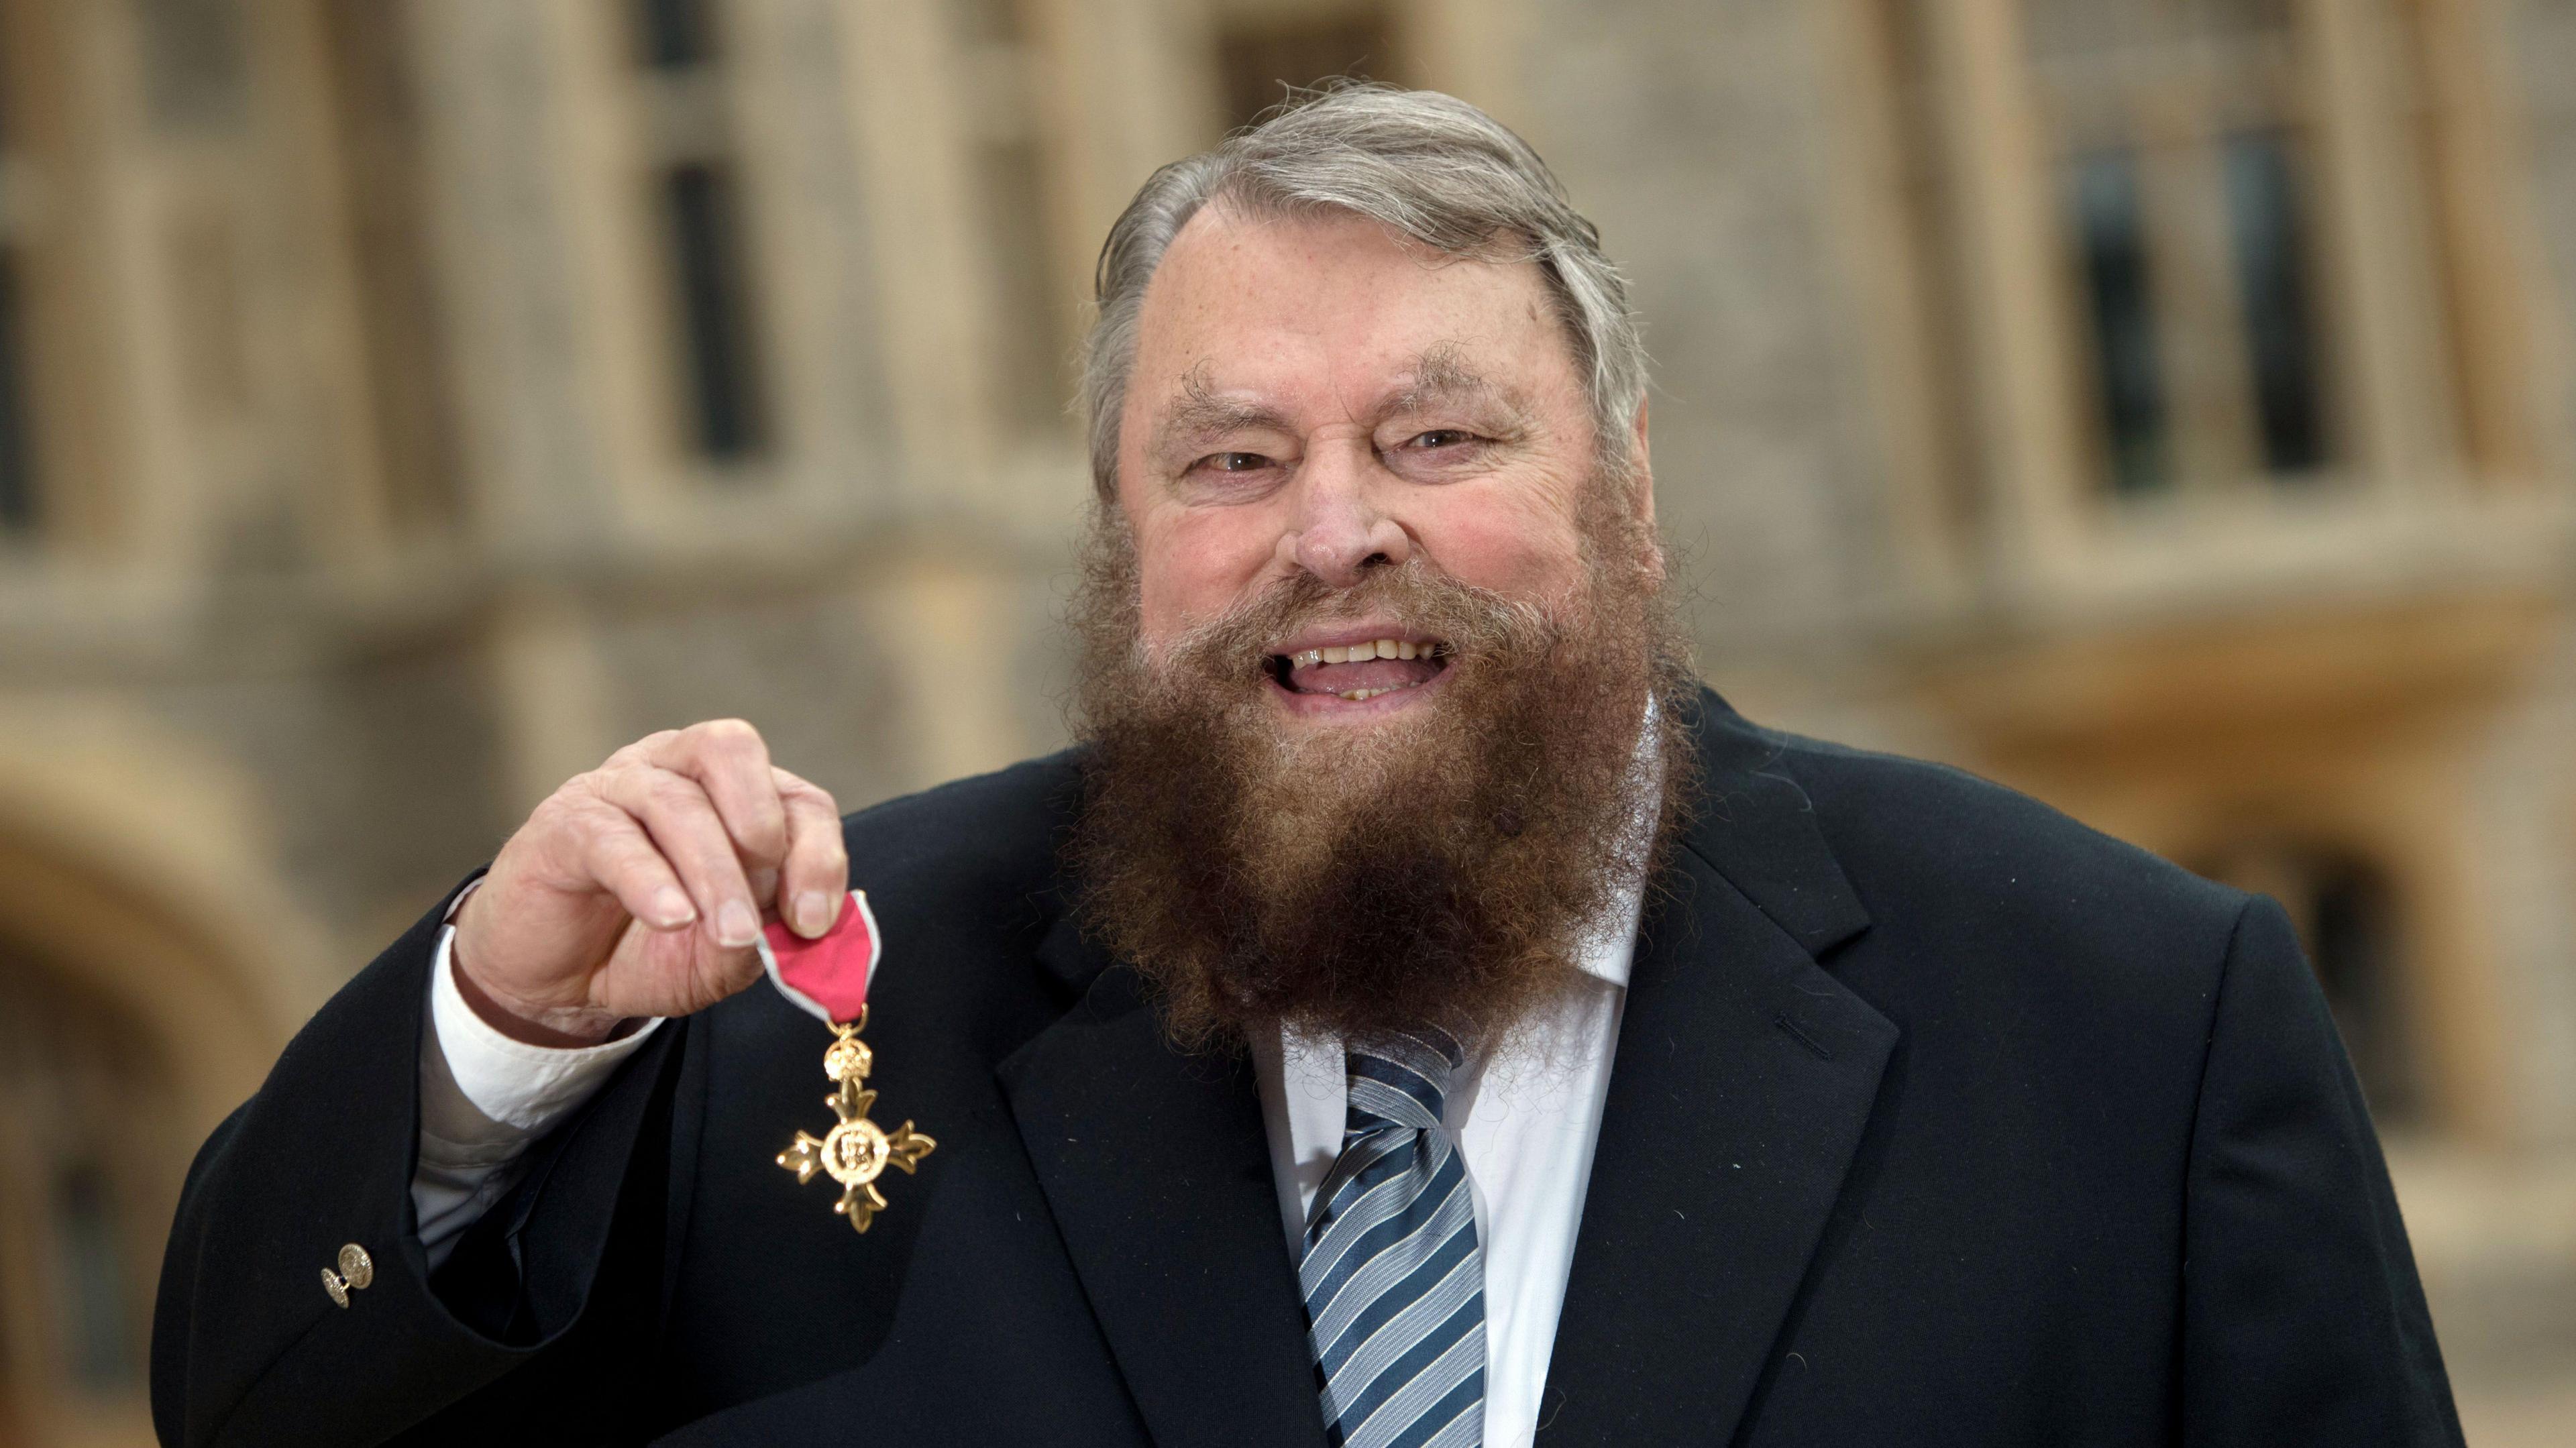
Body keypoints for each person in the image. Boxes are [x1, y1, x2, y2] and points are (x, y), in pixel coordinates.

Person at [152, 87, 2461, 1447]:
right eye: (1231, 457)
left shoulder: (2130, 1028)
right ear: (1124, 537)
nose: (1333, 528)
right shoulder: (808, 1003)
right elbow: (260, 1422)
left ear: (1627, 493)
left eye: (1439, 437)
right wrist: (499, 1036)